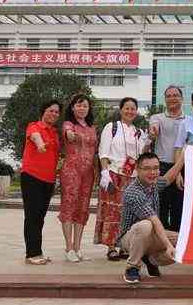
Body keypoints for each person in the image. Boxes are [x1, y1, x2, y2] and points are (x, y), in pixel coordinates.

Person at [95, 97, 150, 261]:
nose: (130, 111)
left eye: (133, 108)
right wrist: (105, 174)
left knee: (129, 213)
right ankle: (111, 247)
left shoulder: (139, 132)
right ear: (121, 110)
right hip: (113, 174)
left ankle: (124, 246)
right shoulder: (111, 127)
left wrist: (150, 139)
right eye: (127, 108)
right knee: (112, 212)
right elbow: (103, 151)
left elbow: (142, 154)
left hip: (132, 177)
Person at [118, 152, 185, 283]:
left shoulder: (153, 184)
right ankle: (132, 267)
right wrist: (167, 245)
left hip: (150, 234)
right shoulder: (134, 192)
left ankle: (151, 261)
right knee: (146, 225)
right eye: (147, 168)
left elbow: (168, 178)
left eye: (155, 168)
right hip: (130, 238)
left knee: (185, 242)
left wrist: (183, 158)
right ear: (137, 169)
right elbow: (154, 220)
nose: (152, 172)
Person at [21, 100, 62, 265]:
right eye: (50, 111)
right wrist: (39, 145)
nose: (53, 114)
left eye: (57, 112)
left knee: (40, 217)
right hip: (32, 176)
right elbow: (35, 137)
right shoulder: (34, 126)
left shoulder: (54, 132)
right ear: (43, 111)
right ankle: (32, 254)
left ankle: (37, 252)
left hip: (48, 179)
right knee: (32, 216)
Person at [59, 94, 98, 262]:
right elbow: (68, 133)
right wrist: (70, 134)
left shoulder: (92, 128)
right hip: (71, 171)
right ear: (73, 108)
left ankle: (77, 247)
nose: (82, 108)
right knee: (69, 205)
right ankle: (68, 248)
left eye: (85, 106)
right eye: (79, 105)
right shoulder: (69, 124)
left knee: (83, 207)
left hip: (88, 173)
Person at [148, 85, 186, 231]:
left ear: (181, 99)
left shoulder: (188, 120)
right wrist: (153, 132)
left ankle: (177, 246)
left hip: (181, 168)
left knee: (179, 208)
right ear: (165, 99)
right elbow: (153, 128)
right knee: (160, 207)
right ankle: (159, 247)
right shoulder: (157, 118)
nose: (172, 98)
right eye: (168, 96)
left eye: (175, 95)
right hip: (161, 168)